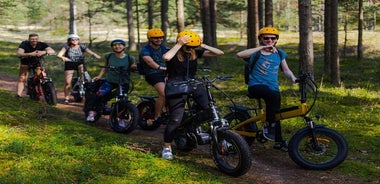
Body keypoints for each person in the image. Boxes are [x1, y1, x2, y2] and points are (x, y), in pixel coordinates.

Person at [161, 30, 224, 160]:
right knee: (175, 119)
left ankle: (192, 125)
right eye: (188, 47)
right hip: (176, 86)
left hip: (193, 84)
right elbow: (166, 58)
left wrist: (202, 45)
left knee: (209, 109)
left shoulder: (195, 52)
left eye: (193, 47)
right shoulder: (173, 52)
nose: (190, 49)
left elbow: (220, 53)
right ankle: (167, 147)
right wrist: (179, 44)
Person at [236, 26, 297, 151]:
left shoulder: (279, 53)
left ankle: (278, 142)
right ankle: (268, 125)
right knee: (273, 107)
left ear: (276, 39)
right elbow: (239, 54)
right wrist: (261, 48)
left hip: (273, 87)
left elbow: (286, 70)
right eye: (266, 38)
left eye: (273, 38)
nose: (269, 40)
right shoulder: (256, 53)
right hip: (255, 86)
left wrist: (293, 78)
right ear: (261, 39)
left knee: (276, 113)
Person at [86, 39, 137, 123]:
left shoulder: (130, 58)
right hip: (110, 81)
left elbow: (133, 66)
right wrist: (99, 76)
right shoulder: (109, 56)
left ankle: (120, 118)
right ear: (112, 47)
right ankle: (92, 112)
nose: (117, 47)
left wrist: (134, 67)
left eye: (120, 45)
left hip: (124, 82)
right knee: (99, 94)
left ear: (124, 46)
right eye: (115, 45)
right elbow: (105, 67)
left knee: (122, 100)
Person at [57, 34, 101, 104]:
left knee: (86, 77)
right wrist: (63, 57)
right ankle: (66, 98)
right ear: (70, 40)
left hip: (80, 63)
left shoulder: (82, 46)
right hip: (69, 64)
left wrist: (95, 55)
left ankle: (83, 83)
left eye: (76, 39)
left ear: (78, 40)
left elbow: (90, 52)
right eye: (72, 39)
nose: (75, 41)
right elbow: (59, 55)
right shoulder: (66, 46)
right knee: (67, 82)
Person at [139, 28, 169, 126]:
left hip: (166, 73)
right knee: (163, 93)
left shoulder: (163, 48)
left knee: (174, 92)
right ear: (150, 39)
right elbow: (149, 61)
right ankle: (157, 117)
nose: (159, 39)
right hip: (153, 74)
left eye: (160, 37)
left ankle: (171, 114)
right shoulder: (145, 50)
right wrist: (160, 67)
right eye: (156, 38)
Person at [16, 33, 56, 97]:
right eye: (32, 39)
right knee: (22, 78)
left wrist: (44, 52)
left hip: (37, 62)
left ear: (38, 39)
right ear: (29, 39)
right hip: (25, 62)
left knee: (40, 76)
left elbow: (52, 51)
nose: (34, 40)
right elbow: (19, 54)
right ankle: (18, 94)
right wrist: (31, 54)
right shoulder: (24, 44)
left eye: (36, 39)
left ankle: (39, 90)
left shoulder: (41, 44)